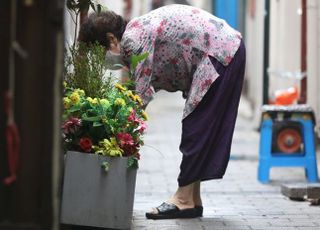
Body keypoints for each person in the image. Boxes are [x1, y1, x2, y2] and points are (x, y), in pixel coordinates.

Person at [78, 4, 246, 219]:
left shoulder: (133, 39)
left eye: (100, 52)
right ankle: (192, 199)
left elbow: (140, 95)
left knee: (197, 126)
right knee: (199, 123)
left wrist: (116, 132)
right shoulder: (136, 32)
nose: (102, 61)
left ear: (111, 39)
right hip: (226, 49)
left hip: (221, 53)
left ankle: (183, 200)